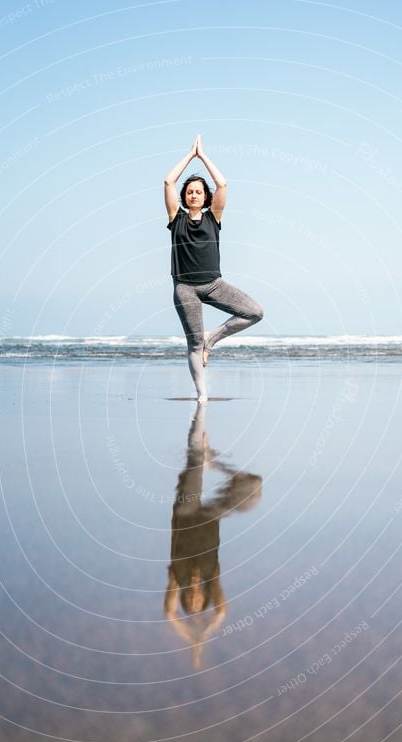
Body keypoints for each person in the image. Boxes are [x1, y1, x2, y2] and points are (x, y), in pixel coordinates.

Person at [164, 134, 264, 403]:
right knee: (193, 344)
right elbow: (168, 181)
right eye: (190, 192)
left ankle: (213, 340)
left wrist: (203, 156)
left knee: (255, 312)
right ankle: (202, 394)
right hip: (185, 289)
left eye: (198, 191)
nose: (194, 194)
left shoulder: (214, 217)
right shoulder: (176, 219)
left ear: (205, 196)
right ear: (185, 197)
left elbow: (222, 183)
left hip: (214, 284)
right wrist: (189, 155)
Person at [164, 404, 262, 668]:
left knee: (194, 460)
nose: (194, 599)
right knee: (254, 486)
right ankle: (215, 462)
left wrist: (189, 637)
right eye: (198, 602)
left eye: (190, 602)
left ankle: (204, 457)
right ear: (206, 596)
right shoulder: (213, 576)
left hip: (185, 513)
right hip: (210, 518)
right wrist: (203, 636)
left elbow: (169, 614)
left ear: (184, 597)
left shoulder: (177, 577)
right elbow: (222, 612)